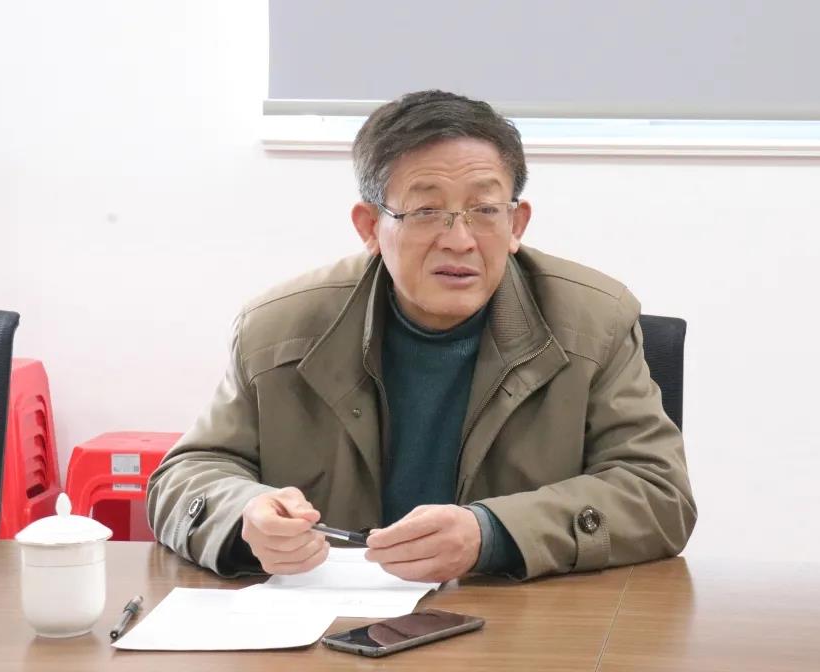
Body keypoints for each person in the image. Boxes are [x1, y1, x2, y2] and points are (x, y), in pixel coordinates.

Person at [147, 90, 696, 582]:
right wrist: (245, 514)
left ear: (516, 224)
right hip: (332, 624)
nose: (459, 240)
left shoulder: (594, 321)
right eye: (427, 210)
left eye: (485, 210)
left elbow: (658, 493)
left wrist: (492, 533)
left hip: (519, 622)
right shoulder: (278, 329)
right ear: (370, 227)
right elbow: (185, 477)